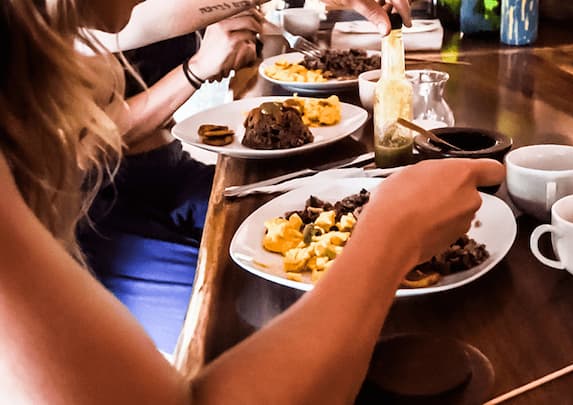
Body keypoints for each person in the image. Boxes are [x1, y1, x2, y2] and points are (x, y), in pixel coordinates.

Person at [0, 0, 504, 403]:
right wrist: (391, 233)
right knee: (241, 319)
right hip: (110, 222)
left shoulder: (39, 35)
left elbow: (124, 26)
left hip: (158, 179)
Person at [78, 12, 263, 355]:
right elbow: (86, 142)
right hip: (96, 210)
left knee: (281, 235)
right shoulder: (46, 21)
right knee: (228, 321)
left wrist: (240, 37)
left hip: (170, 167)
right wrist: (196, 69)